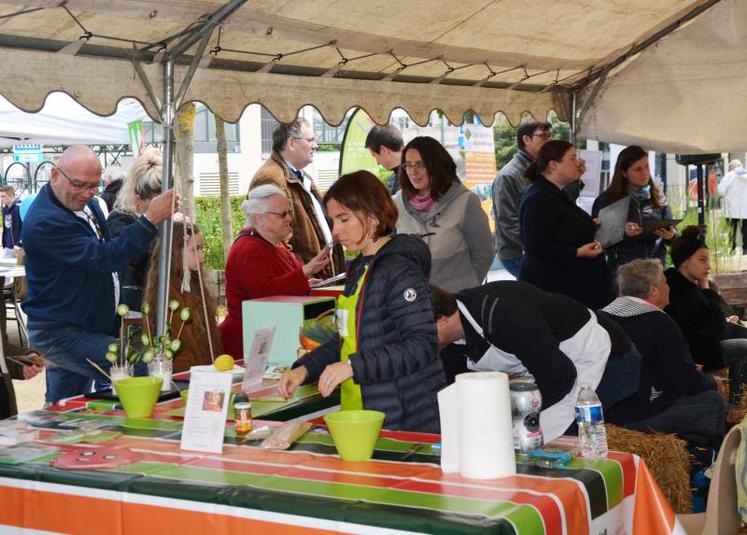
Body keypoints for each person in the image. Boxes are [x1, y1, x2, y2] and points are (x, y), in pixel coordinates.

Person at [279, 171, 445, 433]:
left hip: (405, 417)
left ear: (373, 216)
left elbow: (422, 344)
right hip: (362, 413)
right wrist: (304, 369)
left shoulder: (400, 270)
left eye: (344, 219)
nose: (336, 230)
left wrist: (353, 366)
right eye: (333, 221)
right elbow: (348, 339)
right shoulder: (360, 268)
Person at [21, 145, 176, 404]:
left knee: (68, 408)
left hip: (79, 326)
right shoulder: (45, 221)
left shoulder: (88, 205)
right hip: (60, 332)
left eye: (93, 186)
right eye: (80, 185)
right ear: (54, 175)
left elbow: (106, 254)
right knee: (133, 367)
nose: (87, 193)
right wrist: (149, 219)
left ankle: (66, 440)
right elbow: (104, 258)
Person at [431, 281, 641, 441]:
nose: (419, 343)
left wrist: (510, 413)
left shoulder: (504, 314)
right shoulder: (449, 342)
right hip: (552, 370)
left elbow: (560, 377)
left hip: (603, 358)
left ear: (441, 319)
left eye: (420, 334)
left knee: (549, 440)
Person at [602, 259, 725, 439]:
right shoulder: (658, 322)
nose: (669, 287)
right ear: (653, 289)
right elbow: (686, 382)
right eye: (666, 283)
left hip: (603, 413)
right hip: (635, 414)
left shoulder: (601, 316)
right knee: (713, 401)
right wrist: (713, 383)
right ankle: (704, 459)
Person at [220, 184, 330, 358]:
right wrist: (304, 273)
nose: (289, 218)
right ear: (259, 219)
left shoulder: (274, 245)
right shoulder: (248, 249)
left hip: (270, 336)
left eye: (289, 212)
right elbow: (264, 293)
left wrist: (306, 282)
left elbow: (284, 282)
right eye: (282, 214)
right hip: (249, 343)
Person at [393, 136, 494, 292]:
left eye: (420, 165)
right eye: (408, 165)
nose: (413, 172)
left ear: (436, 165)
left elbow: (484, 252)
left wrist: (468, 285)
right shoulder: (396, 204)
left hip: (457, 300)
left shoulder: (465, 201)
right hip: (413, 300)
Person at [519, 140, 612, 309]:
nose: (578, 163)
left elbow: (561, 224)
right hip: (554, 288)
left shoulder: (554, 191)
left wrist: (588, 224)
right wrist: (577, 252)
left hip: (568, 285)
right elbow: (535, 246)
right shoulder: (539, 197)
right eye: (572, 158)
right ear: (554, 165)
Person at [249, 117, 344, 278]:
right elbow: (277, 240)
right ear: (291, 143)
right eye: (310, 140)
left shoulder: (298, 175)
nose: (316, 145)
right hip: (306, 283)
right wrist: (300, 276)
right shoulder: (272, 178)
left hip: (316, 279)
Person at [665, 226, 747, 410]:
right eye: (702, 260)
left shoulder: (680, 283)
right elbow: (718, 331)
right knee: (743, 347)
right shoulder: (681, 291)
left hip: (699, 346)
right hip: (697, 355)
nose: (708, 266)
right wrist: (710, 291)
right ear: (685, 262)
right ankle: (734, 406)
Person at [144, 222, 222, 373]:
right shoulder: (166, 290)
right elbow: (180, 348)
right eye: (195, 250)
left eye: (201, 249)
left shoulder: (195, 282)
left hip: (204, 372)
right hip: (184, 375)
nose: (202, 256)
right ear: (176, 251)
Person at [592, 145, 676, 276]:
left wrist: (671, 235)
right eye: (638, 169)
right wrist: (622, 230)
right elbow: (597, 238)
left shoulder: (658, 197)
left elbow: (674, 234)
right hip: (623, 273)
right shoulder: (606, 200)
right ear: (624, 173)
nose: (644, 173)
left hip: (655, 271)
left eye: (646, 167)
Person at [491, 121, 552, 277]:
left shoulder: (540, 169)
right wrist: (541, 245)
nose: (549, 141)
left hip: (539, 248)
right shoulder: (508, 176)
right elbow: (508, 223)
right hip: (518, 253)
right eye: (543, 136)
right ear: (526, 140)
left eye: (549, 135)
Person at [107, 148, 163, 310]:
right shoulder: (119, 218)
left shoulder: (169, 220)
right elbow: (130, 258)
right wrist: (152, 220)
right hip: (134, 309)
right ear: (138, 197)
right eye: (156, 201)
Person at [717, 159, 747, 253]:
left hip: (731, 209)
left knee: (732, 230)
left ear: (731, 167)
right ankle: (745, 249)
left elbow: (720, 190)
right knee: (745, 230)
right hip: (745, 209)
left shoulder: (729, 175)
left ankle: (732, 248)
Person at [365, 123, 403, 195]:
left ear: (383, 150)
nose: (378, 162)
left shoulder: (410, 176)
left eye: (375, 156)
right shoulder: (396, 175)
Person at [0, 185, 22, 254]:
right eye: (1, 196)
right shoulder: (4, 210)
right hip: (7, 247)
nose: (1, 199)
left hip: (18, 247)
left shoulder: (19, 208)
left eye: (3, 196)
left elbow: (25, 227)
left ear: (11, 196)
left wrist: (19, 243)